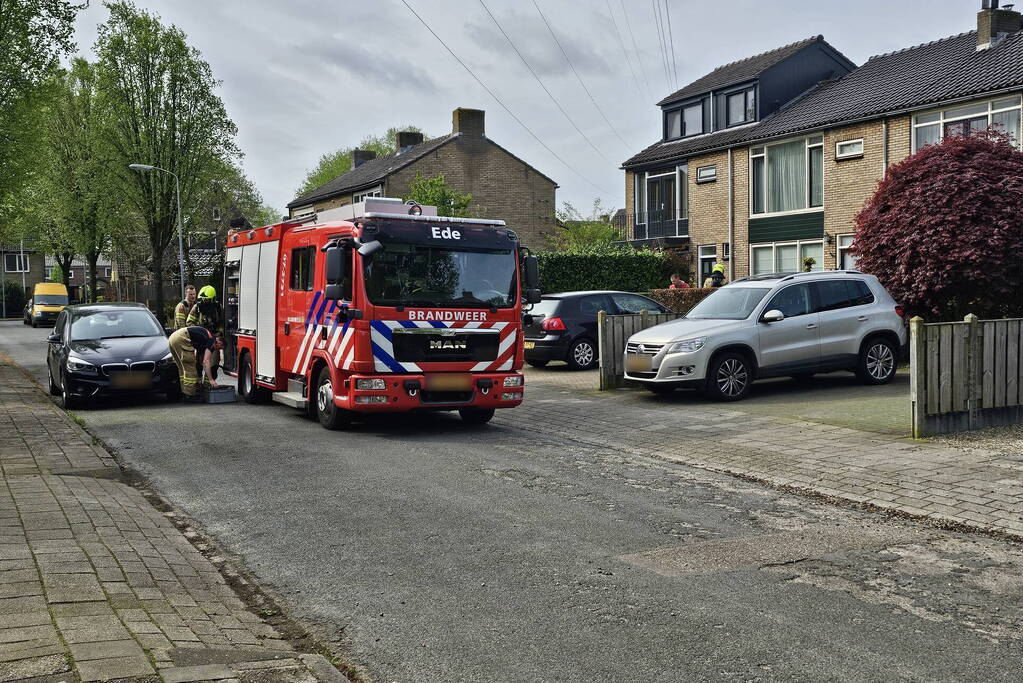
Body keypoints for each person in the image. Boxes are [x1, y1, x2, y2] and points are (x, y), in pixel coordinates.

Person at [168, 325, 224, 403]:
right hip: (182, 338)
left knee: (182, 368)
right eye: (220, 348)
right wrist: (211, 380)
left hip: (173, 338)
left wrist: (199, 380)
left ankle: (184, 392)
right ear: (219, 342)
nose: (218, 349)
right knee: (190, 368)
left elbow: (201, 360)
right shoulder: (212, 341)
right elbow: (206, 361)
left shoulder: (204, 340)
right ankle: (190, 396)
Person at [187, 285, 222, 377]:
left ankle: (208, 382)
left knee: (213, 364)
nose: (204, 302)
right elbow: (189, 322)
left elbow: (222, 323)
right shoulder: (197, 308)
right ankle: (198, 382)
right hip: (201, 339)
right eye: (203, 299)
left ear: (213, 299)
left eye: (207, 300)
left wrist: (219, 334)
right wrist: (199, 331)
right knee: (198, 363)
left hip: (213, 339)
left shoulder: (218, 308)